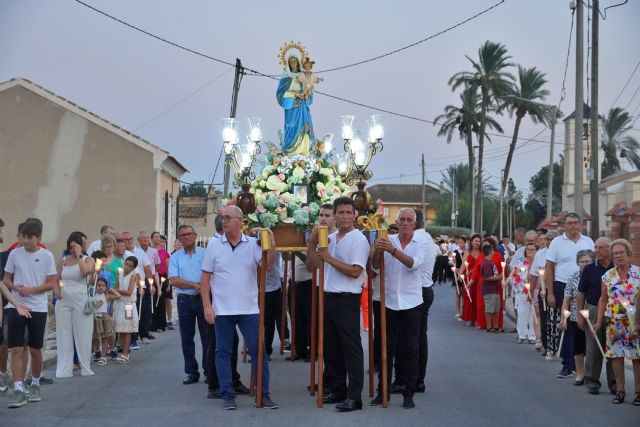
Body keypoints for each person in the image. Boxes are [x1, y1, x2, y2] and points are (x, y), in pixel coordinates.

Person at [200, 206, 278, 410]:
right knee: (223, 352)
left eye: (227, 218)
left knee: (259, 352)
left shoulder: (252, 244)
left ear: (239, 221)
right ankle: (227, 394)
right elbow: (205, 279)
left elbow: (267, 267)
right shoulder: (214, 246)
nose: (223, 221)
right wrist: (208, 307)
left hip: (249, 309)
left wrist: (272, 245)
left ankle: (264, 394)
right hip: (223, 310)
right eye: (221, 218)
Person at [307, 197, 369, 412]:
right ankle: (338, 389)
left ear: (354, 215)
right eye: (340, 213)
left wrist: (328, 258)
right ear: (334, 215)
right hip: (328, 296)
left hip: (347, 299)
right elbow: (314, 265)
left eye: (347, 212)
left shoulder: (358, 240)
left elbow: (355, 272)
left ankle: (355, 397)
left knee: (351, 348)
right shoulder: (330, 238)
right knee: (331, 347)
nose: (343, 217)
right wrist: (312, 243)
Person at [372, 208, 428, 409]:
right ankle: (382, 391)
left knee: (411, 348)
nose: (405, 223)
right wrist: (377, 250)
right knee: (387, 347)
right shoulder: (388, 240)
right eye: (402, 220)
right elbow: (375, 268)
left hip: (412, 302)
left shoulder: (421, 244)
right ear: (396, 222)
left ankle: (409, 392)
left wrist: (392, 250)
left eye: (408, 220)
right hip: (389, 301)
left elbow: (412, 264)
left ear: (414, 224)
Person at [3, 220, 56, 408]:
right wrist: (16, 287)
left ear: (38, 238)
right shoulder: (14, 254)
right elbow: (6, 280)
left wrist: (32, 290)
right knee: (16, 348)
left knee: (35, 349)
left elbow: (51, 283)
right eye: (23, 236)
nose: (25, 240)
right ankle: (18, 389)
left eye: (29, 237)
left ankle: (34, 383)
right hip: (15, 306)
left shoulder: (47, 256)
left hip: (38, 307)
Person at [201, 216, 248, 399]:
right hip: (218, 300)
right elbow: (206, 276)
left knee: (230, 342)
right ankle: (216, 383)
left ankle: (230, 379)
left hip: (229, 301)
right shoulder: (215, 244)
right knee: (218, 344)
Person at [545, 213, 594, 378]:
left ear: (580, 224)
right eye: (570, 223)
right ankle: (567, 365)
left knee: (583, 325)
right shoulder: (556, 243)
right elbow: (549, 268)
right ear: (564, 226)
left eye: (576, 222)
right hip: (562, 287)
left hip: (585, 288)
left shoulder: (588, 241)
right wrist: (550, 293)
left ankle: (580, 366)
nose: (573, 225)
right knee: (567, 326)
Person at [595, 239, 640, 405]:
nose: (619, 256)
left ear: (628, 254)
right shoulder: (608, 276)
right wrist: (599, 321)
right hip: (615, 322)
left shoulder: (638, 274)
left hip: (636, 320)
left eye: (621, 252)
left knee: (637, 356)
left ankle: (638, 392)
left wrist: (638, 323)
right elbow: (602, 300)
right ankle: (620, 391)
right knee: (616, 355)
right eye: (615, 254)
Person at [168, 225, 209, 386]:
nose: (186, 237)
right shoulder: (176, 257)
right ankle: (191, 372)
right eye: (182, 235)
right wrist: (194, 285)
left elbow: (210, 274)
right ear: (179, 239)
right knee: (187, 338)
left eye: (189, 234)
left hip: (203, 299)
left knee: (207, 338)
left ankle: (208, 370)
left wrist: (200, 287)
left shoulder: (205, 254)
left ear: (195, 235)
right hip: (185, 301)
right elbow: (174, 280)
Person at [577, 237, 616, 395]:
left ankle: (615, 383)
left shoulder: (617, 268)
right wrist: (581, 315)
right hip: (592, 309)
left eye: (600, 248)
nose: (596, 251)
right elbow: (581, 293)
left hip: (614, 310)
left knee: (613, 347)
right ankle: (592, 382)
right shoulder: (589, 269)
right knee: (593, 347)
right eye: (595, 247)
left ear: (609, 249)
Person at [54, 232, 96, 378]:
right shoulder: (63, 261)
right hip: (64, 299)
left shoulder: (88, 259)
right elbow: (55, 279)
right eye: (71, 246)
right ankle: (65, 369)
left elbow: (85, 272)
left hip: (80, 298)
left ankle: (85, 366)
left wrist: (79, 257)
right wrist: (56, 291)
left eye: (75, 246)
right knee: (63, 334)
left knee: (83, 333)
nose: (73, 249)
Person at [560, 249, 593, 385]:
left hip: (592, 317)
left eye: (588, 261)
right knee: (578, 347)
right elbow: (566, 300)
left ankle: (592, 374)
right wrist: (563, 318)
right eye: (582, 261)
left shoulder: (597, 276)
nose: (585, 264)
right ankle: (580, 374)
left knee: (592, 348)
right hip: (575, 317)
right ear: (577, 263)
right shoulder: (573, 278)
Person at [276, 54, 314, 154]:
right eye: (291, 62)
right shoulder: (285, 77)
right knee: (291, 126)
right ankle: (290, 150)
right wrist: (294, 93)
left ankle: (303, 151)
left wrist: (307, 94)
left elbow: (309, 94)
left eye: (294, 61)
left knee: (303, 126)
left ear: (298, 62)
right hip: (291, 106)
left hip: (302, 107)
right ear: (288, 64)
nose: (293, 63)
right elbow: (280, 94)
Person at [112, 256, 139, 364]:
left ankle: (126, 353)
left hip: (128, 305)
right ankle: (123, 351)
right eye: (126, 264)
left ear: (133, 268)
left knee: (127, 329)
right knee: (121, 329)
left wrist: (115, 290)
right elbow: (115, 288)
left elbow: (128, 292)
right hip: (119, 303)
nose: (127, 267)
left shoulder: (133, 276)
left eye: (130, 266)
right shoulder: (120, 274)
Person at [508, 243, 537, 343]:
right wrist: (512, 279)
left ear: (536, 251)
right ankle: (521, 334)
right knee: (521, 312)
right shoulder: (520, 263)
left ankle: (532, 336)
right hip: (521, 290)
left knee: (532, 313)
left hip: (534, 290)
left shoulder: (538, 263)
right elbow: (514, 273)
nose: (530, 251)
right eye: (528, 249)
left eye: (533, 249)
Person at [92, 277, 120, 365]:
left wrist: (110, 289)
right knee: (95, 337)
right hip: (94, 318)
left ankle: (103, 356)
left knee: (105, 337)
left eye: (103, 286)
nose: (101, 287)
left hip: (104, 317)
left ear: (106, 287)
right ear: (96, 286)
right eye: (99, 285)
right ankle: (97, 352)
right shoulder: (92, 296)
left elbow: (118, 295)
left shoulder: (106, 296)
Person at [152, 232, 173, 330]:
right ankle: (153, 324)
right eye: (155, 237)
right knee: (153, 300)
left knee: (162, 301)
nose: (158, 240)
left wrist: (168, 282)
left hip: (163, 277)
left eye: (159, 238)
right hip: (153, 276)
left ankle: (162, 324)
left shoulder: (165, 253)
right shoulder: (150, 251)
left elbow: (168, 268)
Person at [460, 234, 481, 325]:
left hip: (479, 277)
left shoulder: (482, 252)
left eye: (479, 241)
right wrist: (460, 274)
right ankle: (470, 318)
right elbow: (463, 264)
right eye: (475, 240)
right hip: (468, 277)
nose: (477, 242)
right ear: (471, 242)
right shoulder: (467, 252)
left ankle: (477, 318)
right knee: (468, 297)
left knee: (478, 298)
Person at [480, 244, 501, 332]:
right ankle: (489, 326)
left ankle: (495, 326)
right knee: (489, 308)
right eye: (493, 251)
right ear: (490, 252)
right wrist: (499, 277)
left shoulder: (490, 262)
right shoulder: (487, 264)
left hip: (495, 289)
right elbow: (487, 277)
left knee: (496, 308)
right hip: (489, 290)